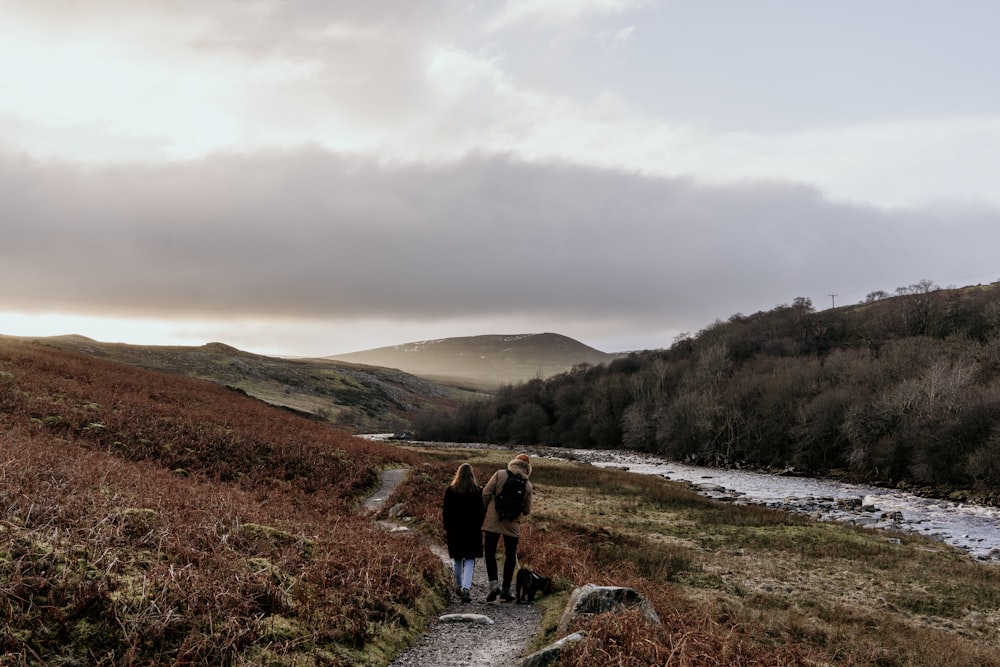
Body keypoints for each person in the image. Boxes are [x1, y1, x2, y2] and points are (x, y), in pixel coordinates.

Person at [482, 453, 533, 602]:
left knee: (490, 551)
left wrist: (487, 510)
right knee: (510, 555)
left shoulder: (500, 474)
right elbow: (527, 510)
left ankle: (493, 584)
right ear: (528, 467)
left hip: (494, 520)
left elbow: (486, 493)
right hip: (513, 524)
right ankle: (506, 589)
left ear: (514, 462)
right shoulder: (527, 484)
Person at [442, 463, 487, 603]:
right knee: (469, 561)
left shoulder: (451, 490)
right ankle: (466, 589)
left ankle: (459, 586)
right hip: (472, 531)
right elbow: (482, 512)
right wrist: (480, 526)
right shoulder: (478, 491)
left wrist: (447, 527)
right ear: (472, 475)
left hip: (455, 530)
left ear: (458, 474)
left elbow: (446, 512)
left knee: (457, 559)